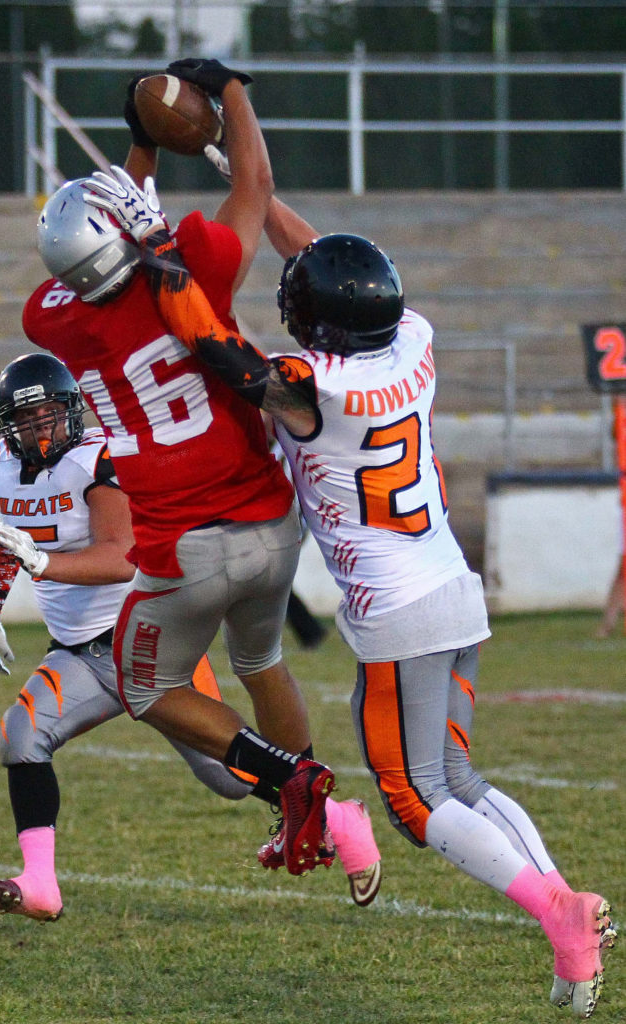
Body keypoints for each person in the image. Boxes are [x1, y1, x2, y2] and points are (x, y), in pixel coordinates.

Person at [92, 167, 618, 1019]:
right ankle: (564, 908)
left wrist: (162, 257)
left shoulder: (313, 387)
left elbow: (221, 356)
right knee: (456, 775)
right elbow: (333, 264)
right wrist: (256, 198)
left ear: (316, 322)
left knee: (415, 800)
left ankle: (558, 911)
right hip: (452, 582)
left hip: (397, 609)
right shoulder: (412, 338)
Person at [20, 58, 381, 886]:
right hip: (269, 525)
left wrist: (140, 147)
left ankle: (291, 780)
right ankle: (315, 816)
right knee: (260, 663)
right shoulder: (200, 265)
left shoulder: (57, 321)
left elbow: (103, 246)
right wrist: (230, 93)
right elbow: (253, 180)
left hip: (183, 549)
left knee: (149, 690)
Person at [0, 351, 259, 921]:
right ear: (8, 426)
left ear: (70, 412)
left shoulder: (94, 461)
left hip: (147, 641)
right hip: (78, 650)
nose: (40, 428)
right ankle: (40, 885)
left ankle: (333, 817)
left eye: (49, 414)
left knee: (232, 779)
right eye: (26, 420)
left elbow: (121, 557)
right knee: (20, 735)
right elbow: (5, 534)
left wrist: (45, 564)